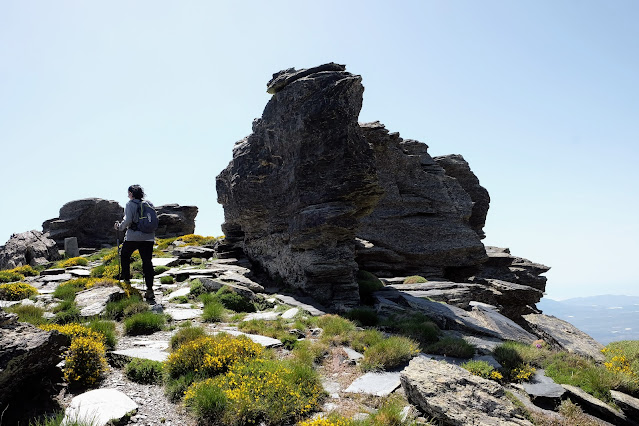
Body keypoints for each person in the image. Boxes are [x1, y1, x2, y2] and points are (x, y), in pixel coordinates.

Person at [114, 184, 156, 303]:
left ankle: (127, 282)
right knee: (147, 262)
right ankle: (149, 290)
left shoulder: (130, 204)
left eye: (128, 193)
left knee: (124, 255)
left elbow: (128, 220)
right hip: (148, 238)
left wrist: (119, 227)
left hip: (133, 237)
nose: (128, 195)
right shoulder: (149, 204)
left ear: (131, 194)